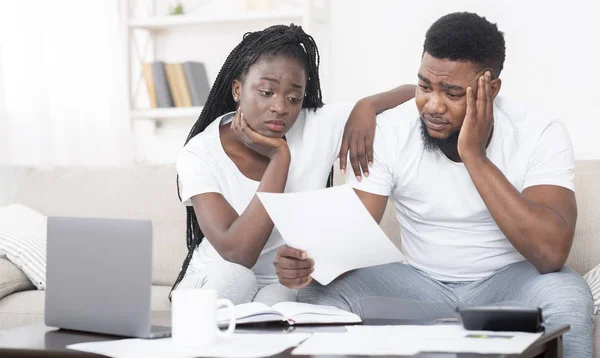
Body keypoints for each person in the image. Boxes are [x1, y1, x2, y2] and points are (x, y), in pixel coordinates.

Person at [275, 13, 594, 357]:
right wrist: (306, 261)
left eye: (453, 93)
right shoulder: (392, 131)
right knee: (319, 292)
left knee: (567, 293)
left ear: (492, 88)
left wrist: (474, 156)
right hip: (417, 287)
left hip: (508, 286)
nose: (433, 106)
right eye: (425, 87)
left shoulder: (540, 133)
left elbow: (550, 254)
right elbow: (349, 235)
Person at [171, 24, 416, 305]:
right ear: (238, 89)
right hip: (214, 281)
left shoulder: (315, 126)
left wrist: (366, 106)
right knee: (236, 278)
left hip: (279, 283)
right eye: (266, 92)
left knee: (284, 297)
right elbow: (238, 254)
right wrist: (279, 159)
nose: (281, 107)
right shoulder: (200, 153)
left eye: (293, 97)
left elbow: (416, 95)